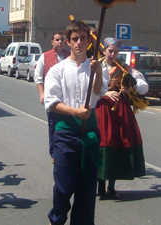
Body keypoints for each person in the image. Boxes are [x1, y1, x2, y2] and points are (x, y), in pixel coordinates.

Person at [44, 21, 108, 225]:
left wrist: (97, 72)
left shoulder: (96, 67)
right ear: (69, 42)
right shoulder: (57, 69)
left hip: (89, 133)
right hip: (65, 134)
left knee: (87, 191)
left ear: (90, 42)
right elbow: (52, 103)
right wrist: (75, 112)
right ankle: (57, 220)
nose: (79, 42)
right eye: (75, 39)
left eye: (83, 38)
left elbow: (98, 92)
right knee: (64, 187)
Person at [95, 37, 148, 199]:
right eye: (110, 51)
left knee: (118, 143)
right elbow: (86, 86)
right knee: (102, 143)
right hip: (101, 109)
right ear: (104, 51)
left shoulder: (125, 69)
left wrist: (131, 86)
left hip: (120, 112)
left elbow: (143, 87)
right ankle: (100, 185)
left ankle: (111, 185)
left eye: (116, 52)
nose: (112, 54)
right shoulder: (96, 65)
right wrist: (104, 93)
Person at [34, 31, 71, 163]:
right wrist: (42, 94)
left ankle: (66, 149)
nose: (60, 42)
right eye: (57, 40)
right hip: (52, 97)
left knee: (66, 124)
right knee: (53, 125)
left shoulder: (69, 56)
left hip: (67, 98)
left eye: (62, 40)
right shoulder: (45, 57)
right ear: (52, 42)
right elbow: (38, 77)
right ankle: (54, 153)